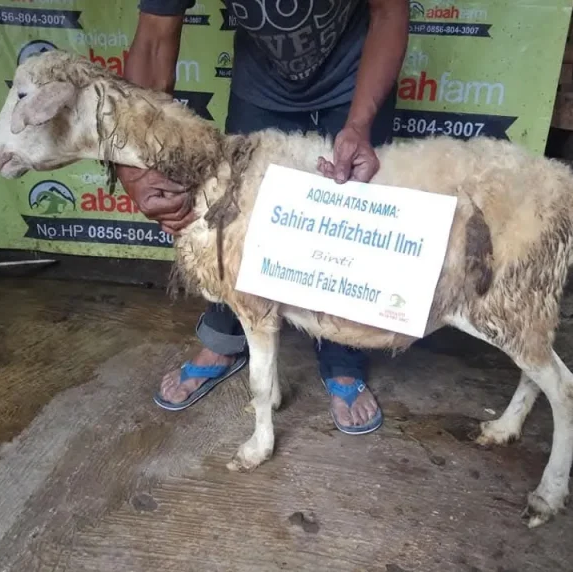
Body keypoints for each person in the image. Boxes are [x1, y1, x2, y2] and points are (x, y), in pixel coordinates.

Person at [118, 0, 409, 435]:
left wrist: (360, 124)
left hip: (353, 75)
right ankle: (224, 341)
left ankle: (342, 356)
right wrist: (136, 164)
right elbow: (154, 37)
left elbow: (390, 12)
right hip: (262, 84)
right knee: (234, 221)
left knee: (346, 216)